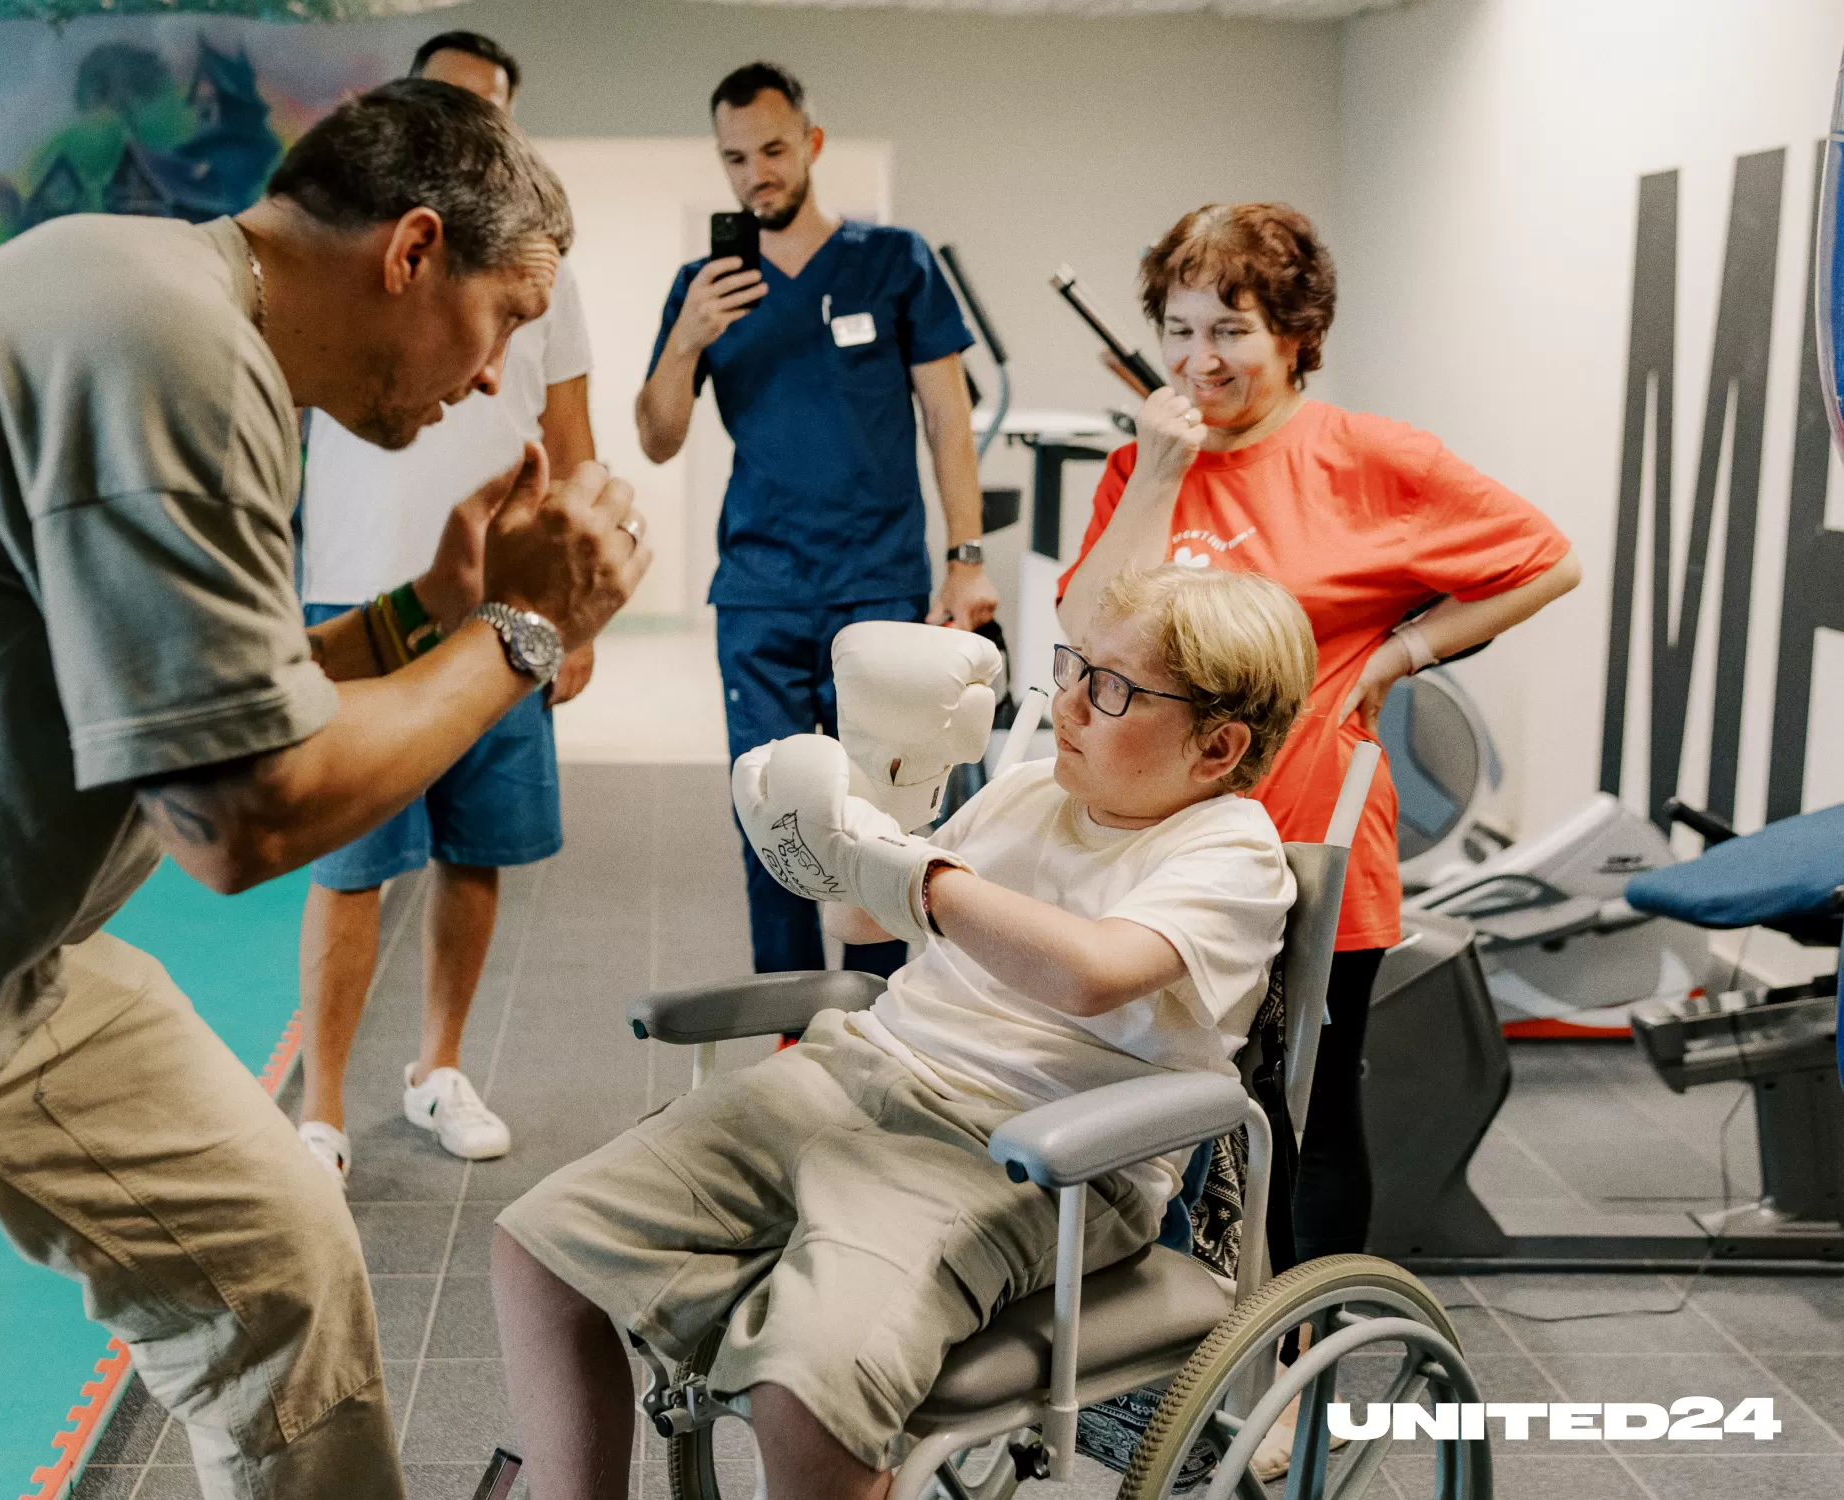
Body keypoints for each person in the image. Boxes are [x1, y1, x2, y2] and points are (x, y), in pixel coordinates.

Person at [0, 81, 651, 1500]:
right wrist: (522, 633)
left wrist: (430, 612)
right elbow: (238, 815)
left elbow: (217, 699)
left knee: (269, 1260)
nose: (486, 381)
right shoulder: (165, 344)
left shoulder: (182, 322)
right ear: (411, 253)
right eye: (505, 320)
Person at [493, 564, 1318, 1500]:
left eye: (1116, 688)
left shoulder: (1230, 851)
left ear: (1218, 748)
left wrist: (918, 875)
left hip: (1024, 1149)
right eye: (1077, 667)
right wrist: (857, 808)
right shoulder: (1029, 793)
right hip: (857, 1074)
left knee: (801, 1389)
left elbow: (1091, 972)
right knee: (543, 1250)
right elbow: (861, 926)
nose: (1072, 702)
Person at [1055, 202, 1579, 1469]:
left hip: (1307, 842)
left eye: (1231, 328)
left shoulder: (1367, 455)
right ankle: (1157, 1352)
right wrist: (1161, 468)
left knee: (1302, 1113)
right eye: (1179, 330)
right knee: (1154, 1102)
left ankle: (1295, 1368)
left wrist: (1405, 649)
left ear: (1296, 334)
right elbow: (1082, 620)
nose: (1201, 360)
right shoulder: (1152, 459)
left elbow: (1543, 556)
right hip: (1156, 851)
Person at [295, 30, 595, 1186]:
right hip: (362, 588)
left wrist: (574, 619)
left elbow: (570, 443)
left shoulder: (541, 275)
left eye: (494, 115)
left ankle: (437, 1069)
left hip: (503, 597)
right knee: (350, 859)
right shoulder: (360, 268)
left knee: (480, 846)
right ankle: (318, 1109)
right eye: (452, 109)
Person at [635, 60, 998, 978]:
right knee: (771, 812)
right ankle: (791, 1031)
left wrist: (965, 558)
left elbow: (948, 418)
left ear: (811, 145)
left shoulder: (894, 261)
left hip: (877, 583)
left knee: (882, 812)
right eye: (734, 158)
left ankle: (882, 1021)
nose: (755, 173)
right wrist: (688, 339)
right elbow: (658, 438)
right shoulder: (703, 285)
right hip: (761, 590)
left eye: (771, 149)